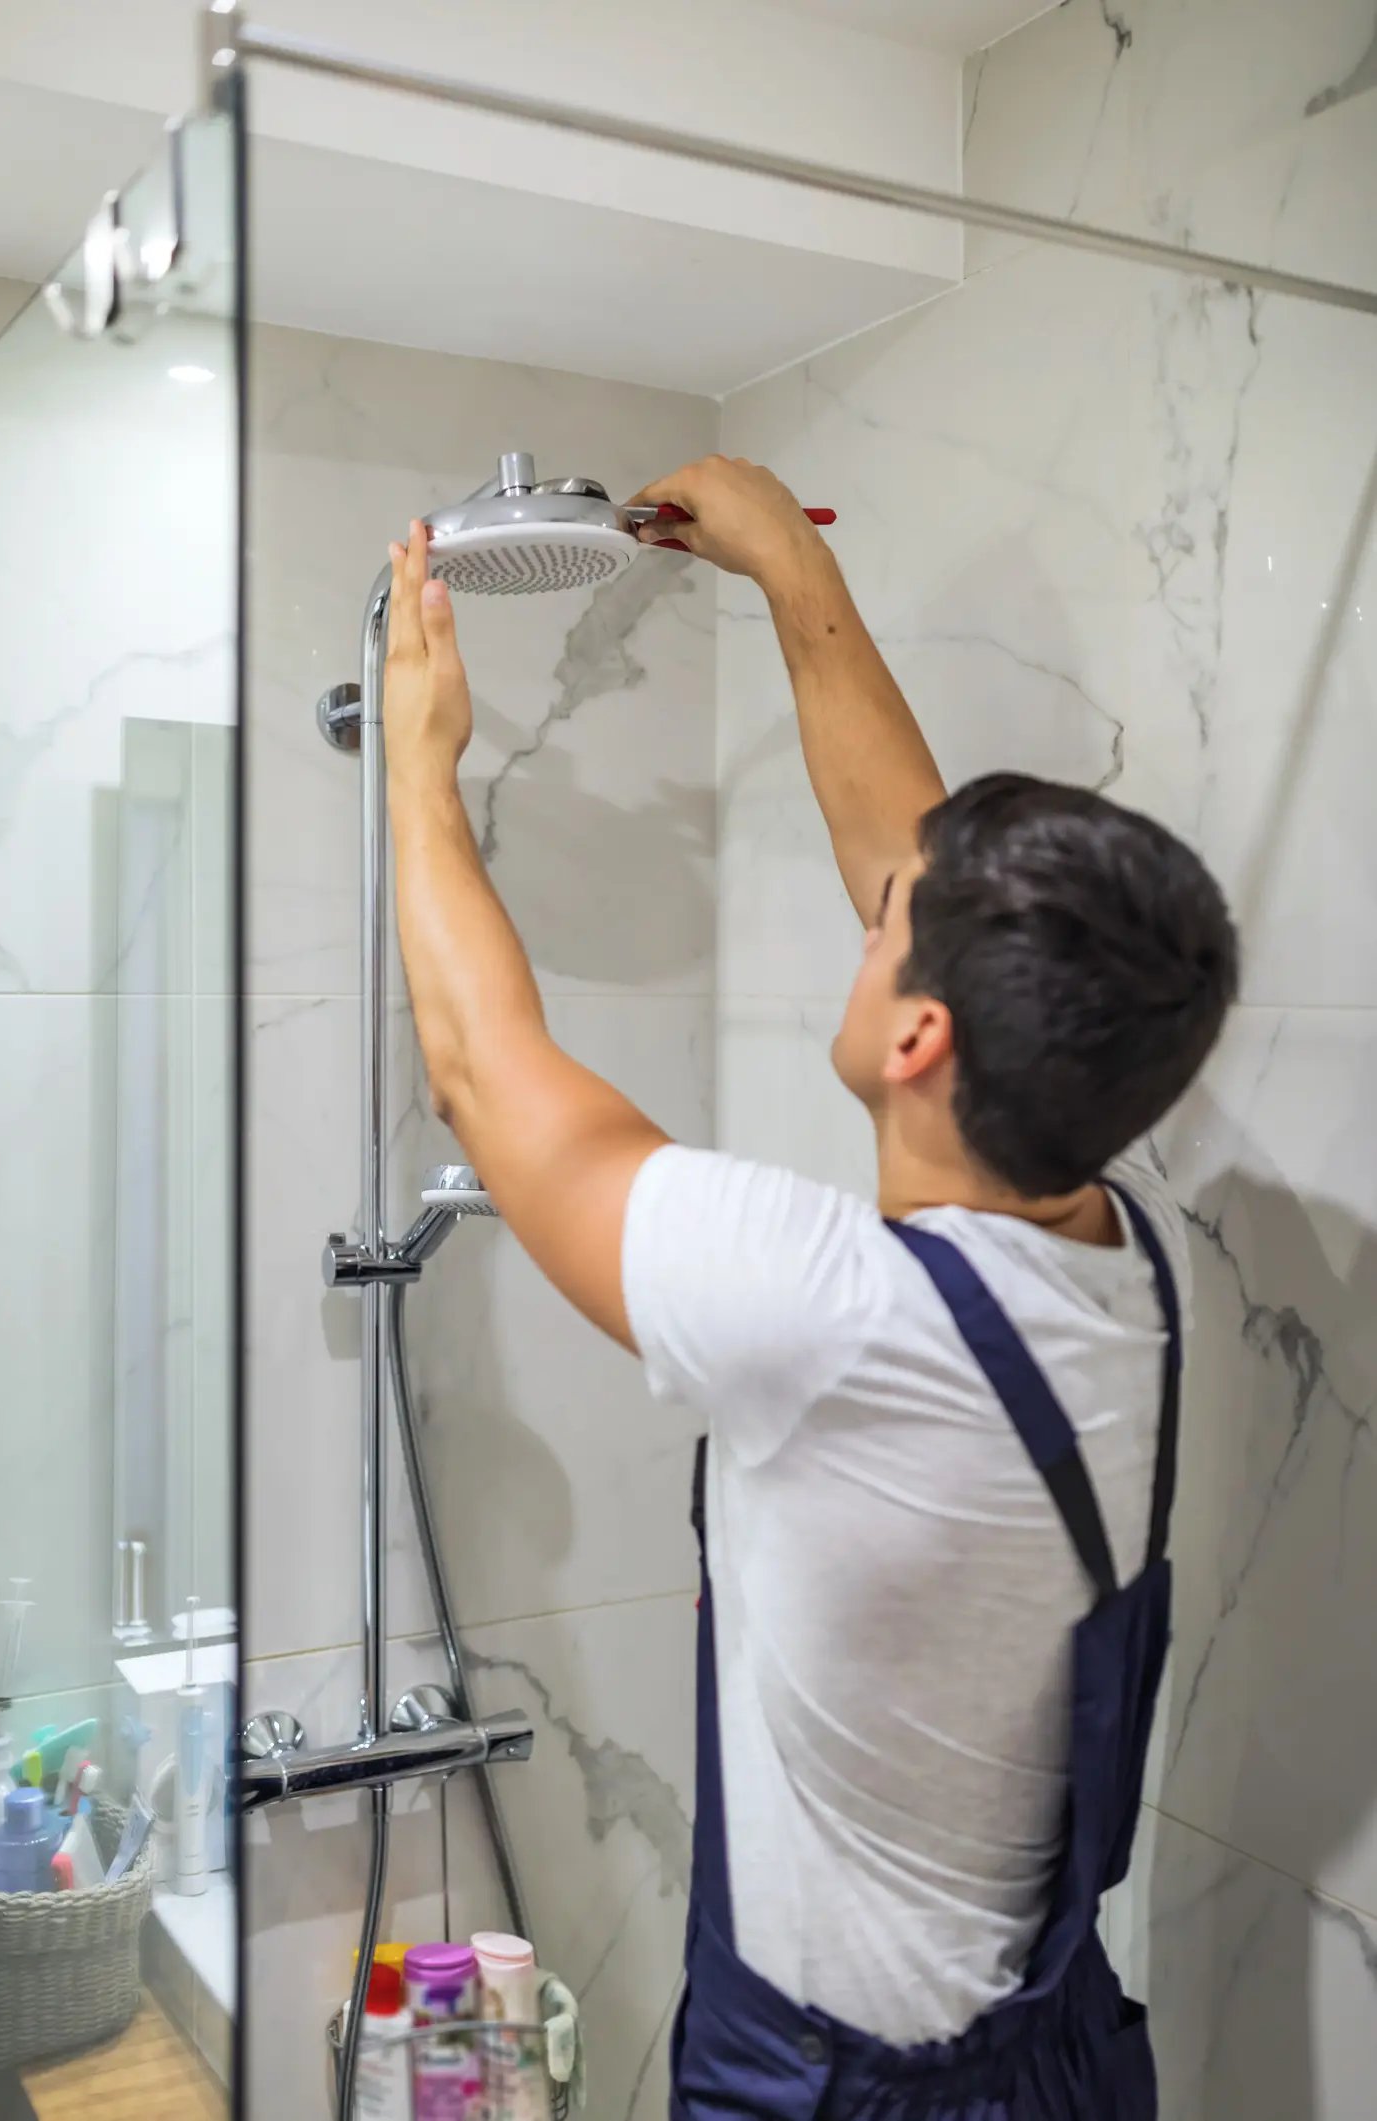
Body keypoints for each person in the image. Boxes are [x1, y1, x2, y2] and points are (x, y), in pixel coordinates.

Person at [381, 457, 1238, 2120]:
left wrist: (420, 764)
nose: (868, 909)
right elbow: (917, 871)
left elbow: (481, 1070)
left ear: (921, 1034)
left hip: (839, 2093)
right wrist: (792, 571)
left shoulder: (832, 1316)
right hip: (1058, 2057)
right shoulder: (1128, 1265)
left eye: (880, 925)